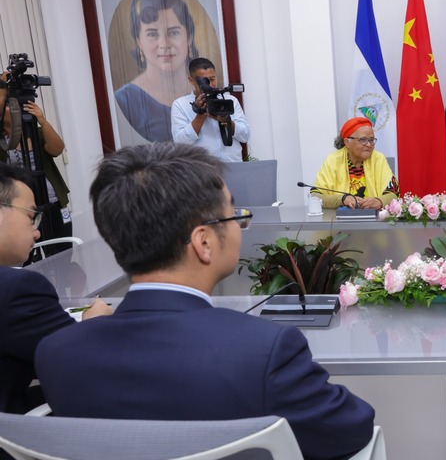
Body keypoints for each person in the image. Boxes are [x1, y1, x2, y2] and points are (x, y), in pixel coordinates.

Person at [34, 142, 375, 460]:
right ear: (204, 243)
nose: (241, 224)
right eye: (234, 214)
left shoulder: (58, 353)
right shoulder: (263, 350)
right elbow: (351, 429)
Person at [0, 163, 109, 415]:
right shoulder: (17, 289)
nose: (37, 232)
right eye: (31, 217)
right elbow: (79, 361)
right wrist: (94, 323)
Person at [115, 0, 199, 142]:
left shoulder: (209, 89)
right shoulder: (124, 101)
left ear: (189, 37)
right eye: (152, 34)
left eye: (173, 32)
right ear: (139, 41)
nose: (164, 44)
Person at [1, 87, 74, 258]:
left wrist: (42, 120)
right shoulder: (2, 142)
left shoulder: (36, 133)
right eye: (9, 105)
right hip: (20, 208)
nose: (17, 109)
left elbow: (57, 149)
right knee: (25, 257)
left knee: (62, 255)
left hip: (52, 202)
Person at [171, 57, 250, 162]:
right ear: (191, 80)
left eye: (212, 79)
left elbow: (245, 136)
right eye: (204, 81)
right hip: (202, 167)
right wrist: (200, 115)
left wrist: (226, 121)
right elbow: (180, 143)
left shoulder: (230, 100)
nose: (210, 85)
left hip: (232, 163)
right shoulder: (180, 104)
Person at [312, 116, 398, 210]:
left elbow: (394, 193)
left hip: (373, 217)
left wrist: (380, 201)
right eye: (363, 140)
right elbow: (315, 196)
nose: (369, 144)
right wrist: (342, 199)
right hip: (340, 217)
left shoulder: (378, 158)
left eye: (371, 140)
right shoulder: (333, 160)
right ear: (347, 142)